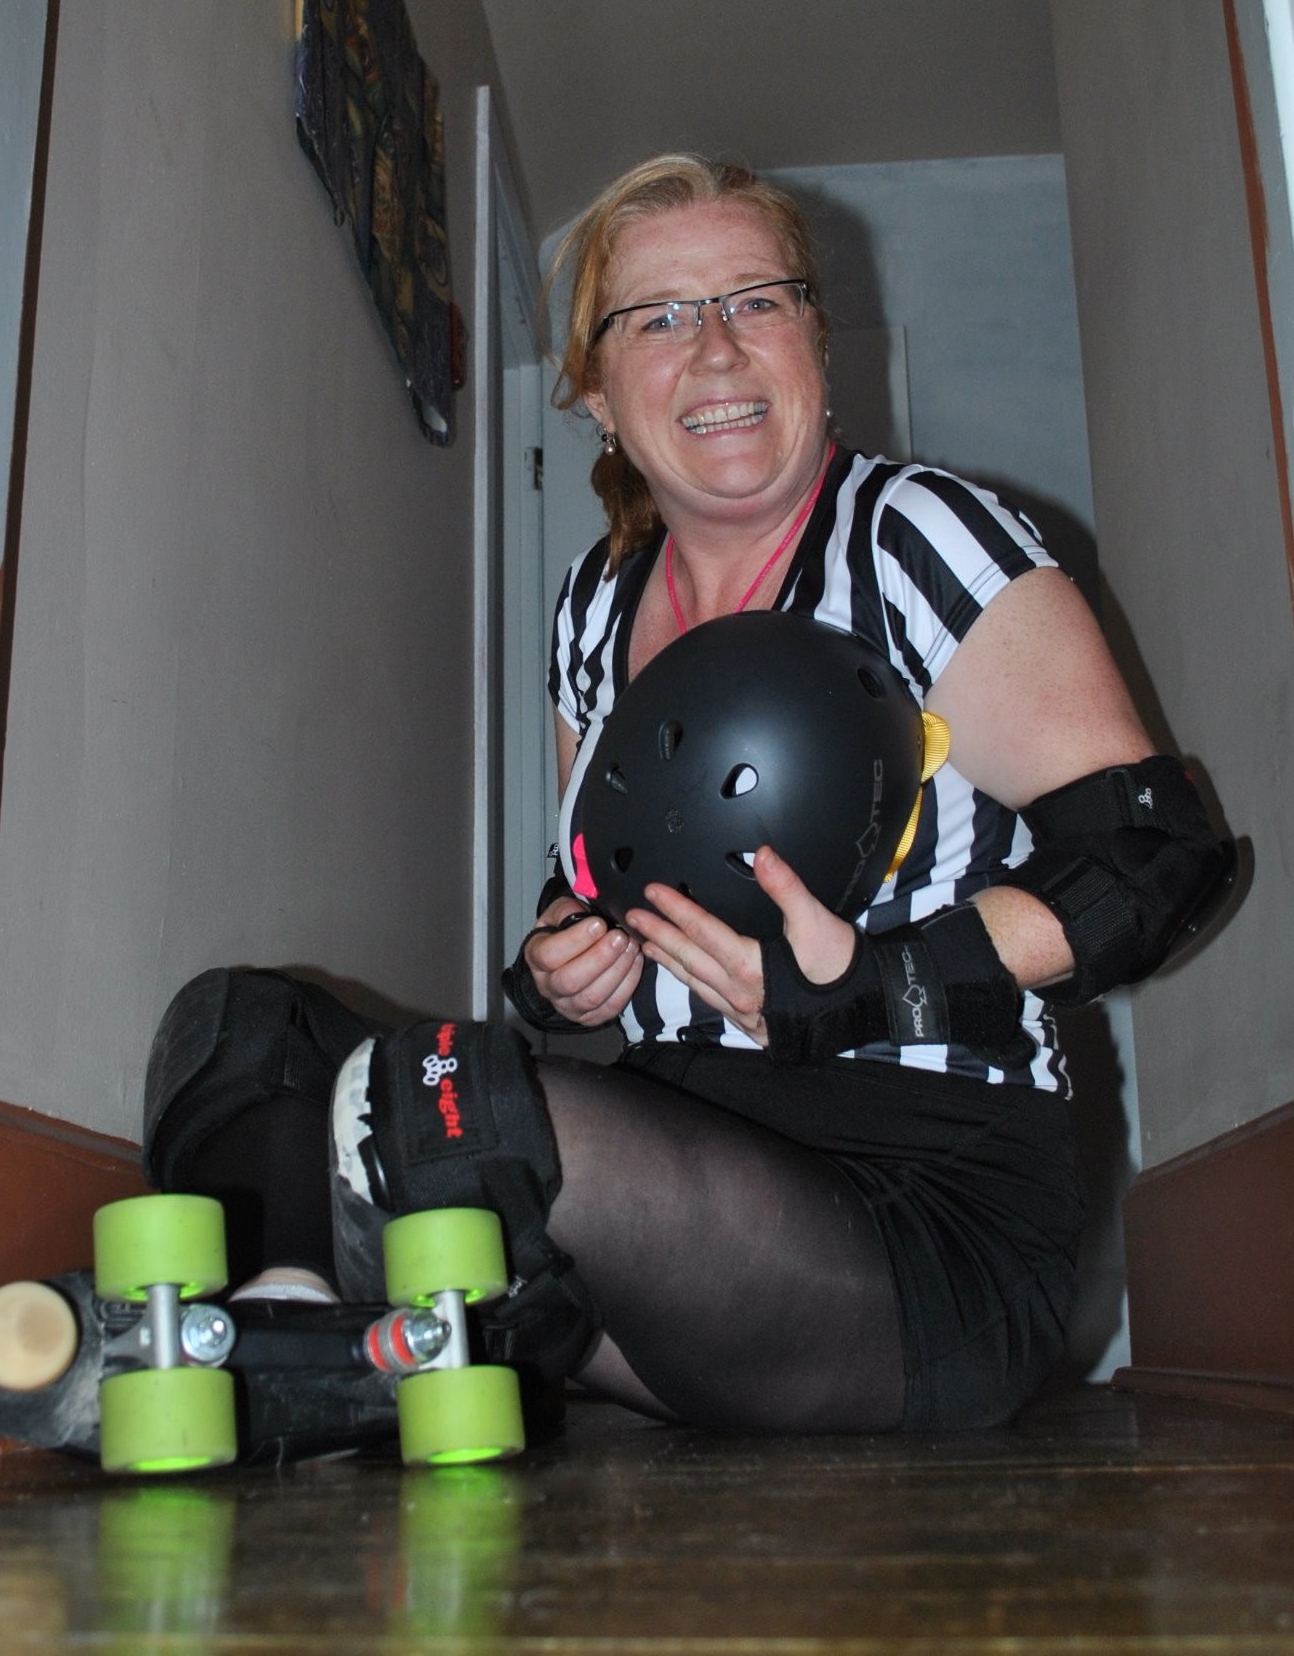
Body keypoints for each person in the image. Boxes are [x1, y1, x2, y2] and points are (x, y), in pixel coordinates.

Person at [145, 154, 1231, 1438]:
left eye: (757, 300)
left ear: (814, 342)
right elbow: (598, 872)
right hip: (677, 1157)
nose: (716, 348)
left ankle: (382, 1338)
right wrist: (560, 965)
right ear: (599, 394)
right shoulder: (594, 608)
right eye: (659, 316)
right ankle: (283, 1333)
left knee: (457, 1110)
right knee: (241, 1031)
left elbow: (1153, 858)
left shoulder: (916, 537)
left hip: (922, 1201)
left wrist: (873, 983)